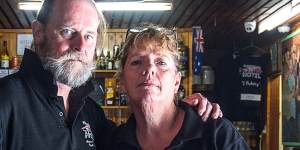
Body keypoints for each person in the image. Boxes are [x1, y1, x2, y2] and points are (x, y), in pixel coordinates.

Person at [0, 0, 222, 150]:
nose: (81, 46)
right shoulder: (5, 99)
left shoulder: (91, 113)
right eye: (68, 31)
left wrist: (181, 110)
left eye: (89, 35)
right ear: (38, 33)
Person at [108, 23, 250, 150]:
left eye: (161, 62)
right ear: (121, 82)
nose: (149, 68)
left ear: (176, 82)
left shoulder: (216, 134)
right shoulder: (114, 143)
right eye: (137, 62)